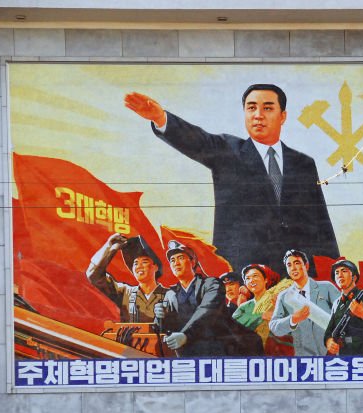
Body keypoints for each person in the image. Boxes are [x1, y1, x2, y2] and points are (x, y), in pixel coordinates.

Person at [124, 85, 339, 273]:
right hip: (242, 272)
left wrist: (334, 268)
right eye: (251, 108)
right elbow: (197, 141)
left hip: (296, 274)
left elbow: (321, 220)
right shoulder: (228, 150)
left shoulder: (303, 163)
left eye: (268, 108)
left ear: (283, 116)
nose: (258, 115)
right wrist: (161, 119)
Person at [155, 240, 262, 357]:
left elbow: (207, 310)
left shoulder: (212, 284)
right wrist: (161, 317)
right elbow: (163, 329)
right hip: (187, 352)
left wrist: (185, 335)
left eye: (180, 258)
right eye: (172, 260)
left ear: (193, 261)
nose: (176, 263)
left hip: (219, 350)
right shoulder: (171, 294)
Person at [269, 249, 338, 356]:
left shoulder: (326, 287)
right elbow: (274, 327)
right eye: (289, 265)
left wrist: (333, 338)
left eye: (297, 263)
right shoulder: (284, 296)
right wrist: (293, 320)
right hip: (304, 357)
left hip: (331, 352)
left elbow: (344, 315)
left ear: (306, 266)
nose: (293, 268)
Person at [86, 234, 168, 324]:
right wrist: (109, 247)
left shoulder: (170, 295)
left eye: (144, 262)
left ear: (155, 267)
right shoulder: (125, 292)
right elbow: (93, 275)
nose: (139, 266)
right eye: (135, 263)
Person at [232, 264, 293, 356]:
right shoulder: (244, 307)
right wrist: (262, 315)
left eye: (255, 276)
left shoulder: (280, 300)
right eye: (247, 278)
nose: (251, 280)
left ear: (266, 280)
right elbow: (233, 326)